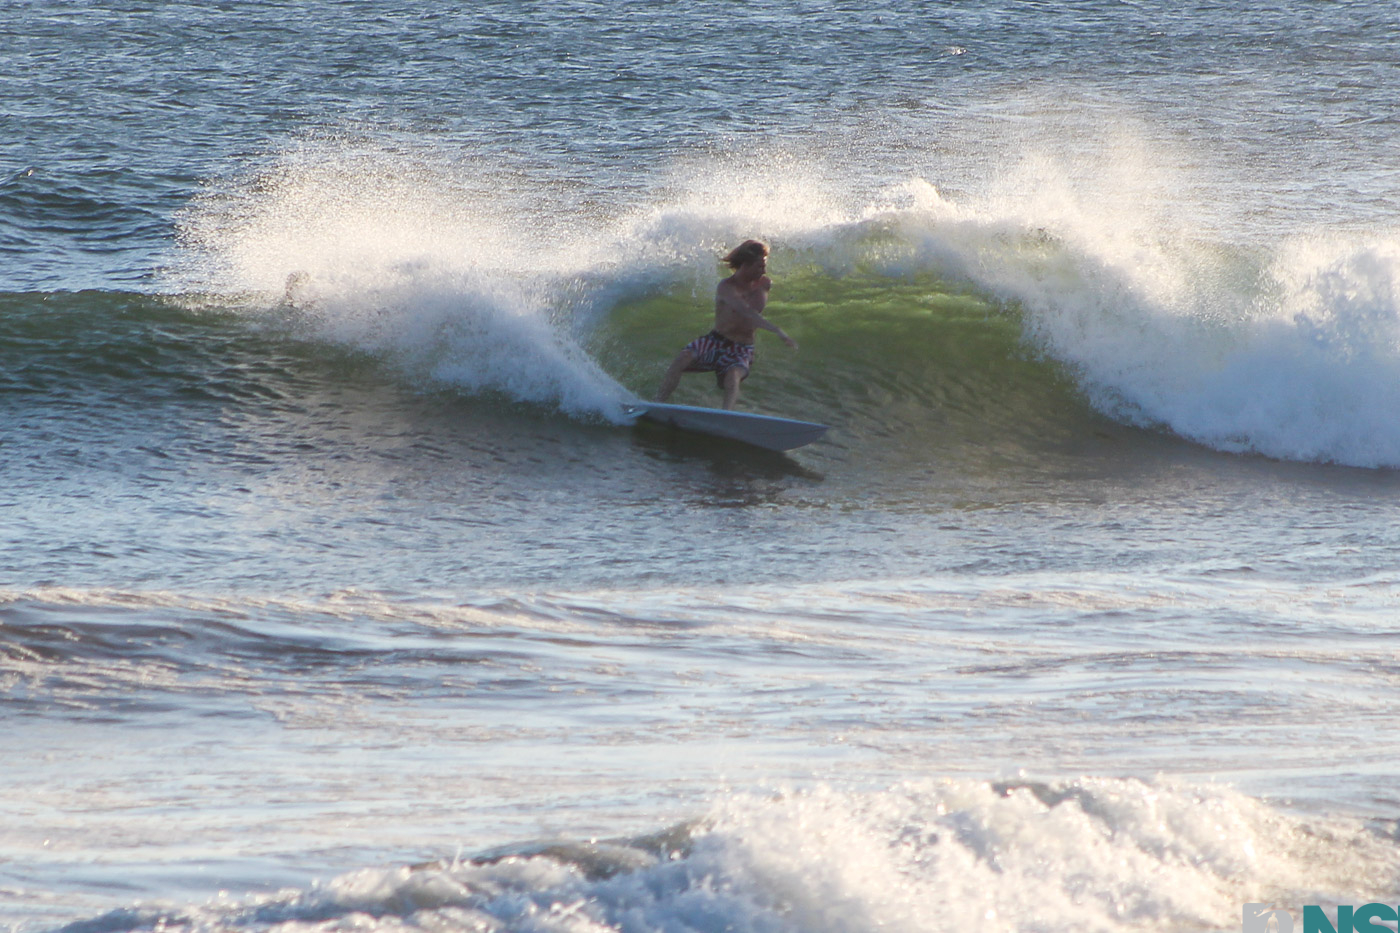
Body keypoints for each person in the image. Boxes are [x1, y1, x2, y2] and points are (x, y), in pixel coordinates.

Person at [654, 239, 798, 410]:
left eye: (764, 265)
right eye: (760, 266)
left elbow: (752, 312)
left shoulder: (764, 284)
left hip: (742, 348)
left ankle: (726, 415)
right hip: (716, 341)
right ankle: (657, 403)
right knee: (682, 358)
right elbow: (746, 311)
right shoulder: (726, 287)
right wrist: (777, 330)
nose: (764, 270)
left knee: (733, 376)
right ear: (745, 265)